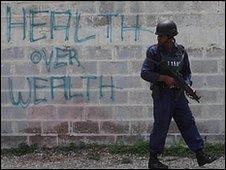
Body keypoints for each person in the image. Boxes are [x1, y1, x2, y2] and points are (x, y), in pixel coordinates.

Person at [140, 19, 217, 169]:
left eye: (161, 36)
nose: (158, 38)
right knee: (161, 126)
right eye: (158, 36)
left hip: (178, 95)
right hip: (162, 95)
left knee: (188, 122)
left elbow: (187, 73)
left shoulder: (181, 52)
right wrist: (163, 78)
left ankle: (200, 155)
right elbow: (145, 73)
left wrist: (188, 85)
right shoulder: (154, 52)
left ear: (170, 36)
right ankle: (153, 160)